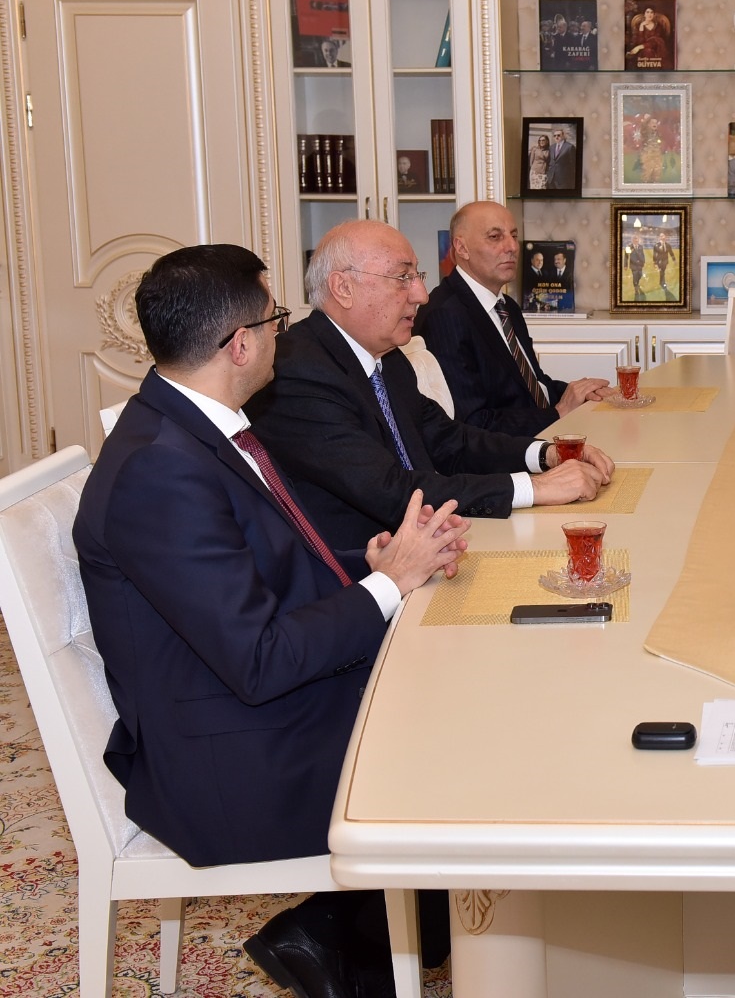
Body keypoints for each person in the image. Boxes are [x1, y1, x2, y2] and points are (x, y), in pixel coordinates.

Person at [75, 244, 469, 997]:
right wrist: (388, 585)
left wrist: (375, 561)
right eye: (274, 319)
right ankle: (350, 935)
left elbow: (262, 571)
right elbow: (258, 659)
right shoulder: (161, 467)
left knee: (460, 681)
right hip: (230, 763)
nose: (284, 334)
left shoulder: (200, 427)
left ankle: (370, 936)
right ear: (240, 344)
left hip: (251, 710)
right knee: (458, 735)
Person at [246, 219, 614, 550]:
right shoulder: (297, 370)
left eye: (417, 275)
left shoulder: (386, 357)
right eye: (402, 278)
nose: (421, 294)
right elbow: (390, 490)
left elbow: (451, 441)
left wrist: (546, 454)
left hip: (428, 542)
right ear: (343, 287)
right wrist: (536, 488)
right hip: (366, 570)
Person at [415, 204, 610, 436]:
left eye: (514, 236)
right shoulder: (444, 315)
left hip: (535, 435)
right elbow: (471, 423)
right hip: (507, 452)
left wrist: (582, 393)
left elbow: (531, 386)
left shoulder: (506, 306)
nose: (512, 247)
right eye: (495, 237)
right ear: (462, 248)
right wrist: (558, 413)